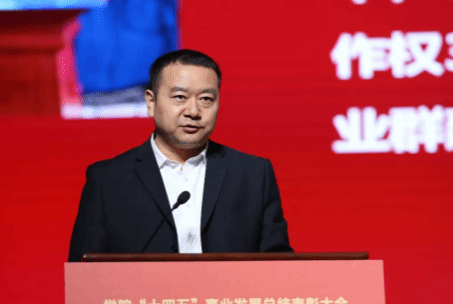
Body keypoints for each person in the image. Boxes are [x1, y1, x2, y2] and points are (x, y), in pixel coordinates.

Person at [68, 49, 292, 262]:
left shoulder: (253, 174)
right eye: (180, 97)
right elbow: (84, 271)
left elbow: (279, 265)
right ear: (151, 102)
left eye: (206, 99)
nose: (193, 111)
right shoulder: (108, 180)